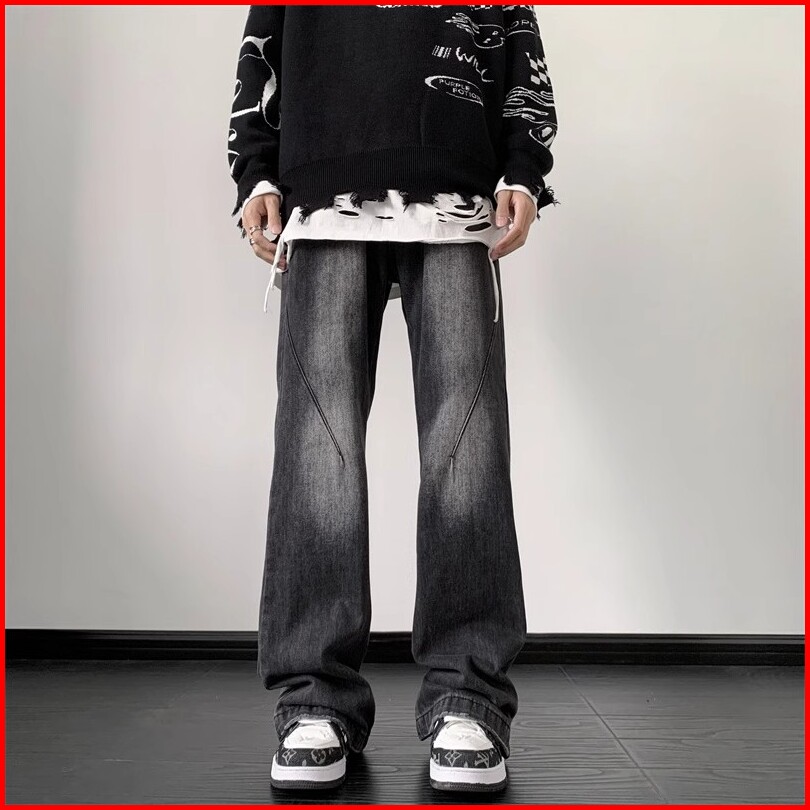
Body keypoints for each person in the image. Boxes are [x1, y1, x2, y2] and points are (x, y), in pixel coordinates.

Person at [227, 4, 558, 794]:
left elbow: (519, 38)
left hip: (458, 197)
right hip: (321, 192)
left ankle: (468, 694)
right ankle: (314, 695)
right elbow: (263, 45)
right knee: (319, 456)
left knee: (466, 456)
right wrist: (256, 171)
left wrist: (523, 165)